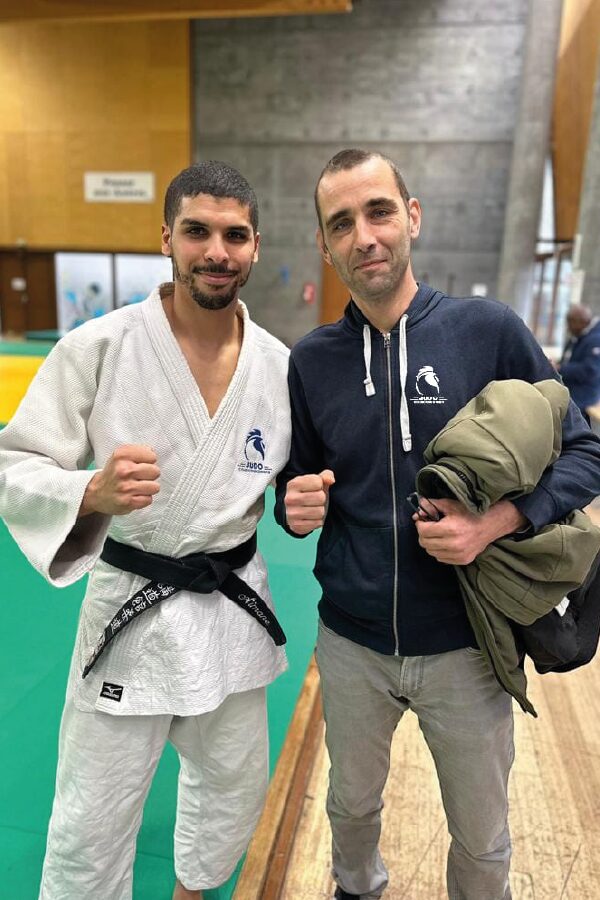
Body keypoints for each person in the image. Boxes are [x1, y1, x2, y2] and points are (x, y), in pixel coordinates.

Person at [275, 149, 600, 900]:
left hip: (466, 648)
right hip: (352, 647)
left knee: (483, 840)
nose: (365, 236)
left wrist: (499, 521)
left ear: (411, 217)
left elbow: (584, 452)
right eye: (342, 224)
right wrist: (293, 508)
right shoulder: (313, 361)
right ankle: (357, 889)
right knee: (350, 808)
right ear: (326, 248)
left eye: (379, 211)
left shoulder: (488, 332)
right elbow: (300, 484)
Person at [0, 161, 292, 900]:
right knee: (90, 817)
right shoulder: (99, 346)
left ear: (256, 246)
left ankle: (193, 890)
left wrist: (301, 500)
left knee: (233, 786)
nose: (216, 251)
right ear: (166, 237)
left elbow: (299, 482)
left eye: (234, 235)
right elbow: (16, 459)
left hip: (232, 606)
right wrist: (89, 491)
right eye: (197, 231)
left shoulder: (280, 367)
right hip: (131, 604)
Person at [558, 303, 600, 421]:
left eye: (570, 322)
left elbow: (590, 370)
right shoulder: (579, 335)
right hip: (571, 389)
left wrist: (560, 368)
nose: (568, 327)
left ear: (581, 322)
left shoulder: (596, 339)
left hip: (584, 394)